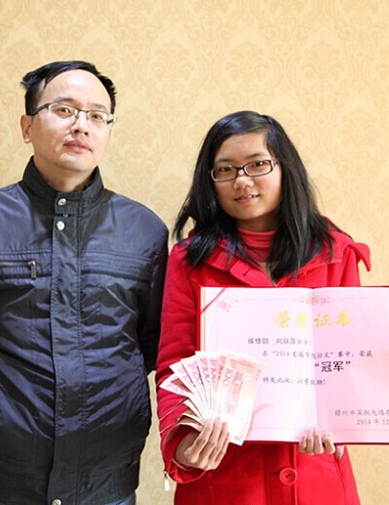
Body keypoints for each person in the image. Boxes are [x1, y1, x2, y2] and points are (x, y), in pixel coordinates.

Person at [0, 60, 169, 505]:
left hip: (107, 479)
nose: (82, 125)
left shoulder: (145, 231)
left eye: (97, 115)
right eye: (64, 110)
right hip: (2, 479)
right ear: (27, 126)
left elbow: (149, 343)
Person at [156, 110, 371, 504]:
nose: (242, 180)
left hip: (315, 474)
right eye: (225, 170)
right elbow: (175, 363)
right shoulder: (189, 260)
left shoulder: (335, 252)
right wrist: (184, 447)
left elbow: (350, 359)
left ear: (285, 168)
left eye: (257, 164)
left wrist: (339, 419)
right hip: (225, 476)